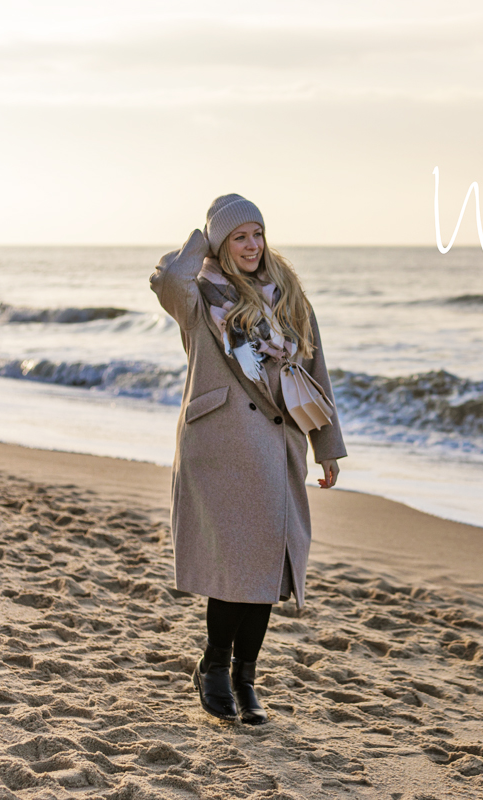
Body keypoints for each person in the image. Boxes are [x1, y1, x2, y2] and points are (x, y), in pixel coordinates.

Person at [149, 194, 346, 724]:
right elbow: (167, 276)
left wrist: (328, 445)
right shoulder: (199, 294)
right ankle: (214, 668)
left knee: (267, 564)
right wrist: (203, 241)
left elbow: (314, 367)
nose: (252, 245)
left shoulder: (288, 294)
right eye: (239, 236)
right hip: (219, 445)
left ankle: (245, 675)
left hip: (279, 443)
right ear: (221, 243)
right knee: (236, 565)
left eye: (257, 233)